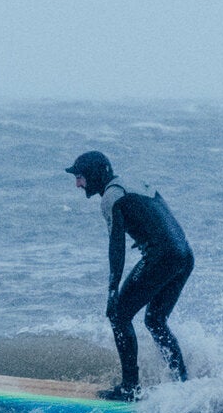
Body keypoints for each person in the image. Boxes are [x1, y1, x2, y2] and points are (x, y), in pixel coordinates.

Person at [66, 151, 194, 400]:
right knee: (155, 320)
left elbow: (117, 247)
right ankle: (183, 383)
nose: (78, 184)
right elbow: (160, 220)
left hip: (162, 257)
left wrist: (112, 289)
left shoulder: (111, 197)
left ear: (94, 175)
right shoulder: (133, 183)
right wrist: (148, 237)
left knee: (118, 315)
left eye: (80, 177)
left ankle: (130, 388)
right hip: (185, 256)